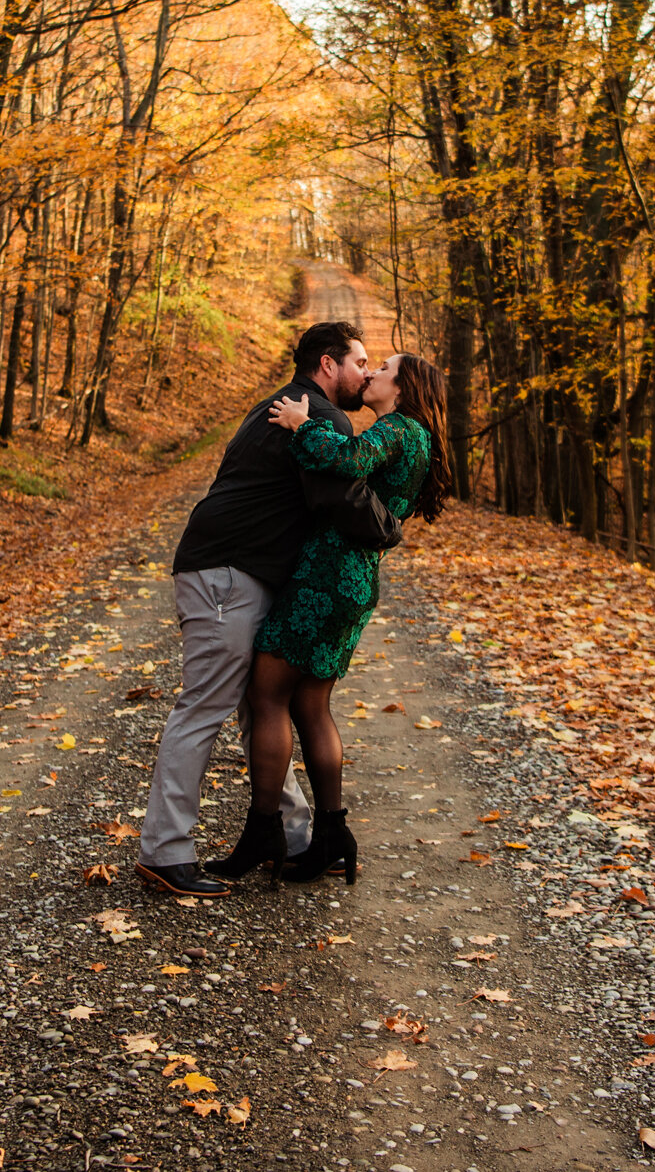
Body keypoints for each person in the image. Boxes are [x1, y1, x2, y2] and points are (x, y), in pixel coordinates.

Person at [134, 321, 404, 898]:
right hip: (229, 572)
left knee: (264, 707)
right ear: (328, 365)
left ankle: (299, 837)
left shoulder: (279, 407)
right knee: (205, 705)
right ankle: (165, 850)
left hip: (231, 569)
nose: (366, 372)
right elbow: (343, 502)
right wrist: (391, 525)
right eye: (360, 362)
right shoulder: (319, 418)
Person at [213, 352, 452, 886]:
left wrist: (302, 425)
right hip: (354, 578)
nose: (371, 375)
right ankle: (330, 835)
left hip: (328, 575)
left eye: (383, 370)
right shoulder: (417, 437)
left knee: (267, 696)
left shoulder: (399, 428)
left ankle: (263, 831)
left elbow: (347, 460)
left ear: (403, 386)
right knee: (310, 703)